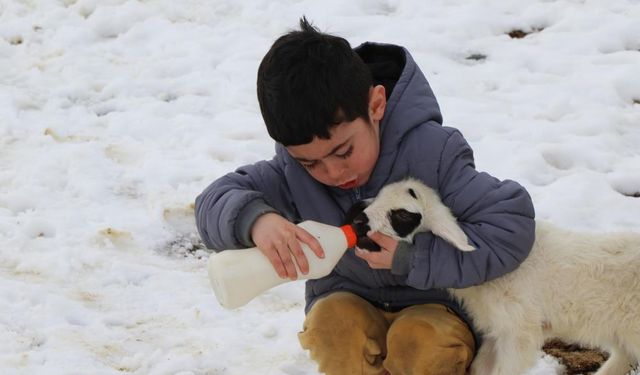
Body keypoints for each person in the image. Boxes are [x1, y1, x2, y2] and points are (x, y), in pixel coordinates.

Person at [195, 17, 535, 375]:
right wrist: (257, 220)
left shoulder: (433, 154)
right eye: (311, 162)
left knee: (419, 342)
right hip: (349, 296)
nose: (333, 173)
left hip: (438, 304)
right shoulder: (290, 173)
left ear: (376, 105)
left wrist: (413, 258)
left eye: (343, 152)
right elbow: (212, 202)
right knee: (333, 328)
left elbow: (511, 227)